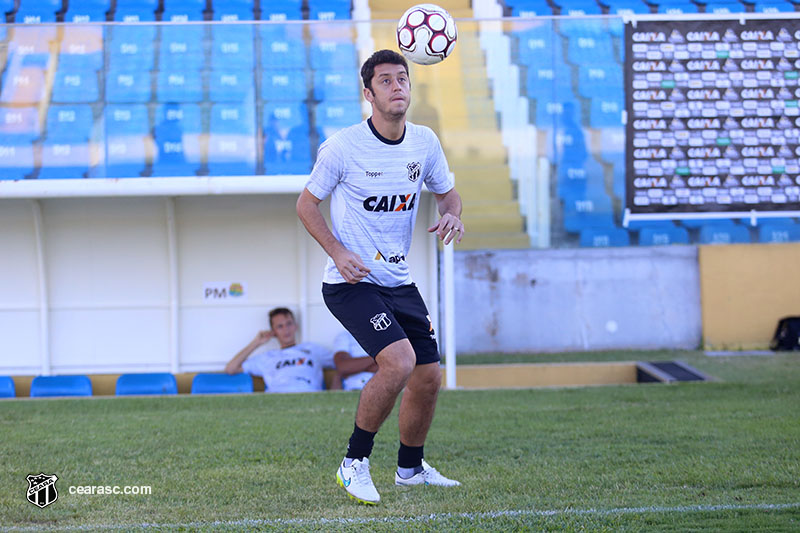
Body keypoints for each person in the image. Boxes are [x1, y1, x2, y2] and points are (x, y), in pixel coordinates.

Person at [296, 49, 465, 505]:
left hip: (399, 281)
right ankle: (353, 464)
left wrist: (452, 215)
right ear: (368, 94)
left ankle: (410, 469)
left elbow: (449, 197)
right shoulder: (343, 146)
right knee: (399, 362)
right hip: (350, 283)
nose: (397, 87)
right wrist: (338, 251)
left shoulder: (425, 142)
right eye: (386, 81)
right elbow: (305, 205)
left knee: (428, 376)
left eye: (402, 78)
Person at [225, 307, 340, 392]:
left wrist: (335, 383)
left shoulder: (313, 349)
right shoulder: (267, 357)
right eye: (280, 326)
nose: (286, 330)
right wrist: (256, 343)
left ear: (295, 326)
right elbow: (231, 368)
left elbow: (341, 364)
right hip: (278, 400)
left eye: (289, 324)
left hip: (310, 397)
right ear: (273, 332)